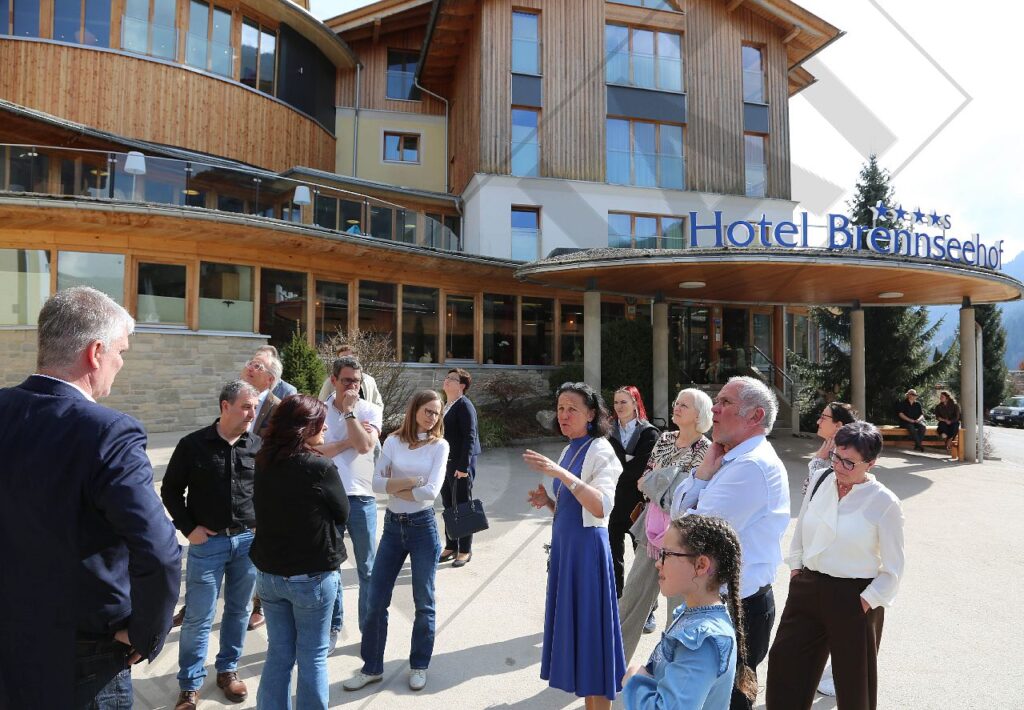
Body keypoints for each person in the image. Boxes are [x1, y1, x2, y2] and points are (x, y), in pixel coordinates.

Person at [0, 286, 181, 709]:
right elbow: (159, 553)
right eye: (121, 352)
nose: (121, 364)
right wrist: (145, 633)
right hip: (81, 659)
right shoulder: (109, 432)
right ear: (96, 352)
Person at [766, 421, 905, 710]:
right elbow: (801, 528)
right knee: (785, 666)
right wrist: (796, 570)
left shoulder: (884, 502)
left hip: (854, 597)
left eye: (849, 462)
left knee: (855, 686)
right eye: (836, 457)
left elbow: (893, 568)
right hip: (807, 586)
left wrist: (864, 602)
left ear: (871, 463)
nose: (839, 466)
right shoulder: (821, 480)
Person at [671, 376, 790, 710]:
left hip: (739, 609)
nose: (715, 409)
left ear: (755, 416)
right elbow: (678, 513)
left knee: (728, 702)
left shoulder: (752, 466)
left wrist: (698, 486)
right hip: (722, 603)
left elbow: (688, 532)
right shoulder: (732, 459)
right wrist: (703, 474)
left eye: (725, 402)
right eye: (716, 401)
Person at [524, 382, 626, 710]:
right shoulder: (570, 449)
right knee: (582, 643)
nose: (564, 415)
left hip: (587, 554)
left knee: (593, 643)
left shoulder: (601, 450)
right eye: (560, 408)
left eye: (572, 409)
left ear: (591, 414)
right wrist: (549, 502)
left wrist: (560, 474)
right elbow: (574, 507)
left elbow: (600, 507)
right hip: (567, 552)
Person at [161, 380, 262, 710]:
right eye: (246, 407)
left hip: (247, 543)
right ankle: (190, 685)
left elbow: (267, 491)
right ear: (225, 406)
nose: (252, 413)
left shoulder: (257, 446)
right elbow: (171, 490)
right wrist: (189, 528)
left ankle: (228, 671)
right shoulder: (192, 445)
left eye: (254, 407)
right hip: (208, 545)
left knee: (239, 611)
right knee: (198, 617)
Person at [343, 390, 449, 692]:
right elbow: (376, 484)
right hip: (393, 527)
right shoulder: (393, 441)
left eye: (437, 413)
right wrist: (412, 482)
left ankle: (419, 665)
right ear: (414, 409)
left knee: (424, 602)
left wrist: (396, 487)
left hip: (423, 528)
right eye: (428, 411)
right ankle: (371, 668)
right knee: (376, 601)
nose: (432, 418)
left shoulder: (439, 446)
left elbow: (431, 492)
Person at [249, 395, 350, 710]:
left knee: (279, 653)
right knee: (312, 655)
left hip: (270, 576)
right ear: (305, 428)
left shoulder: (263, 461)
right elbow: (342, 512)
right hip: (311, 577)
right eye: (321, 423)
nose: (325, 428)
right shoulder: (319, 467)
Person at [622, 515, 757, 710]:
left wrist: (635, 682)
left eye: (666, 554)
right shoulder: (695, 614)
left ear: (701, 565)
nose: (658, 563)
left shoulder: (703, 641)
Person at [619, 388, 713, 663]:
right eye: (677, 403)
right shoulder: (665, 439)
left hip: (683, 537)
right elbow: (644, 482)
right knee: (633, 597)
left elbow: (686, 499)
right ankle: (613, 664)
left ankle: (672, 668)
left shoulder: (706, 450)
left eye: (684, 405)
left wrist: (660, 486)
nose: (677, 408)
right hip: (651, 531)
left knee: (678, 607)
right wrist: (665, 485)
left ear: (700, 414)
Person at [317, 356, 383, 652]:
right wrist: (348, 442)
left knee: (367, 568)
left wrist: (349, 414)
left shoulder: (370, 409)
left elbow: (366, 445)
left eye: (356, 381)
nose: (352, 387)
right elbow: (315, 452)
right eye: (346, 381)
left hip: (361, 498)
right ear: (333, 380)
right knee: (330, 568)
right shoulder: (318, 411)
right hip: (326, 498)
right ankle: (334, 627)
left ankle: (368, 629)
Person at [800, 400, 857, 697]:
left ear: (839, 425)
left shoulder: (845, 456)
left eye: (824, 417)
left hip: (834, 540)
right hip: (818, 538)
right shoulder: (828, 450)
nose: (818, 421)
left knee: (837, 611)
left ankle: (840, 674)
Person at [607, 385, 660, 597]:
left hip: (638, 503)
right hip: (611, 501)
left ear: (635, 403)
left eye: (624, 402)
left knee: (642, 559)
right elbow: (602, 462)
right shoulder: (607, 431)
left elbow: (642, 468)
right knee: (612, 555)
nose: (619, 406)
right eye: (616, 402)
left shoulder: (649, 433)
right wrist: (626, 461)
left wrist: (617, 464)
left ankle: (646, 606)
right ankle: (616, 600)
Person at [440, 368, 482, 568]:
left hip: (460, 464)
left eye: (452, 379)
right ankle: (451, 545)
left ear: (462, 386)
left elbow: (470, 436)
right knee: (448, 504)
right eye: (447, 378)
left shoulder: (464, 405)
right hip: (445, 463)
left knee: (463, 506)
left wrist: (464, 466)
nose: (447, 381)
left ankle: (465, 550)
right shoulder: (446, 405)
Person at [318, 342, 384, 409]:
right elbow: (321, 404)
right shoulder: (331, 381)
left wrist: (372, 414)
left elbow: (378, 404)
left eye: (349, 358)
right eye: (342, 359)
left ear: (357, 358)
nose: (346, 361)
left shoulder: (369, 380)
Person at [242, 350, 282, 437]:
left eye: (258, 366)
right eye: (250, 364)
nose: (250, 368)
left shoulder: (278, 408)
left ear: (270, 379)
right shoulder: (234, 397)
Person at [934, 390, 961, 455]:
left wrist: (950, 421)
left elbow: (957, 417)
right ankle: (949, 439)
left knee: (955, 426)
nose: (940, 398)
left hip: (953, 422)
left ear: (947, 398)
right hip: (943, 422)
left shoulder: (955, 405)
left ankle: (948, 440)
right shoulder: (938, 406)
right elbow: (937, 417)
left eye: (942, 397)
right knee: (941, 425)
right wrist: (944, 420)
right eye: (940, 397)